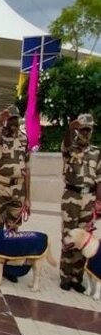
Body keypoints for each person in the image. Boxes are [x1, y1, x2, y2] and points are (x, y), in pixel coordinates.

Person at [60, 113, 101, 293]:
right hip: (71, 197)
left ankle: (77, 277)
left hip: (89, 199)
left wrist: (99, 202)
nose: (85, 132)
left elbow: (99, 180)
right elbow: (66, 145)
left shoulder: (97, 152)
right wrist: (70, 130)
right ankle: (65, 276)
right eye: (82, 129)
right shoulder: (70, 147)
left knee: (84, 239)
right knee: (69, 236)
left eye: (88, 129)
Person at [0, 105, 31, 282]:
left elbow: (27, 169)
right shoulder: (2, 136)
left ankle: (10, 268)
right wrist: (0, 119)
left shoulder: (24, 139)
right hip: (1, 187)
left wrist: (28, 197)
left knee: (13, 230)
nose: (14, 122)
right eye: (11, 119)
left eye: (16, 119)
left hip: (19, 189)